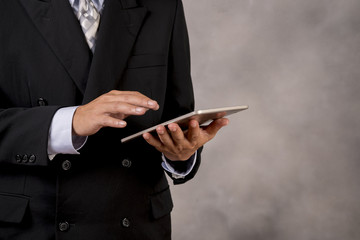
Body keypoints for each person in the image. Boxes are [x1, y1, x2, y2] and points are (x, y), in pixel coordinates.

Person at [0, 0, 228, 239]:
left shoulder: (163, 4)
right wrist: (70, 122)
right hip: (35, 226)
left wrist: (181, 154)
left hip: (136, 224)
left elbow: (176, 114)